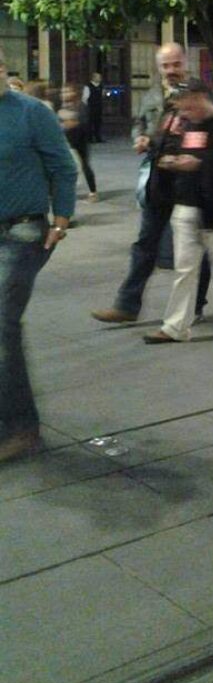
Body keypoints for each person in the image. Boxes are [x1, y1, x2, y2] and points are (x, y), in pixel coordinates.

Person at [90, 43, 209, 324]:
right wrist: (139, 137)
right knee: (145, 243)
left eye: (175, 64)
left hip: (189, 181)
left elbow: (206, 132)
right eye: (165, 66)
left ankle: (196, 305)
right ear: (158, 67)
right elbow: (139, 122)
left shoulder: (200, 94)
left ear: (185, 62)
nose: (171, 71)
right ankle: (127, 305)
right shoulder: (153, 94)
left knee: (193, 247)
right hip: (159, 180)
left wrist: (175, 150)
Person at [0, 46, 77, 463]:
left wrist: (62, 219)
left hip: (24, 231)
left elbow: (63, 167)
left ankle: (21, 428)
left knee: (1, 322)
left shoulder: (32, 112)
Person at [143, 80, 213, 344]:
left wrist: (200, 162)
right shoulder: (186, 124)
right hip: (186, 204)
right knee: (184, 270)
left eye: (187, 107)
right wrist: (168, 157)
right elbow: (170, 147)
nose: (184, 114)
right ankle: (175, 327)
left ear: (201, 97)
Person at [58, 84, 98, 201]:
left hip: (79, 140)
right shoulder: (62, 106)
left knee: (85, 165)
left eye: (67, 92)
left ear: (74, 93)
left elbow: (83, 122)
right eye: (63, 92)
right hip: (66, 141)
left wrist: (68, 122)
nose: (64, 95)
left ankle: (93, 192)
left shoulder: (81, 106)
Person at [82, 72, 104, 142]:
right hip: (90, 107)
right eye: (98, 77)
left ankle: (98, 137)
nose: (100, 79)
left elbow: (102, 95)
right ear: (93, 78)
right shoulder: (88, 86)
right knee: (90, 123)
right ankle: (90, 138)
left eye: (100, 77)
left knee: (98, 122)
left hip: (98, 107)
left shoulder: (101, 86)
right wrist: (85, 106)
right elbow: (85, 97)